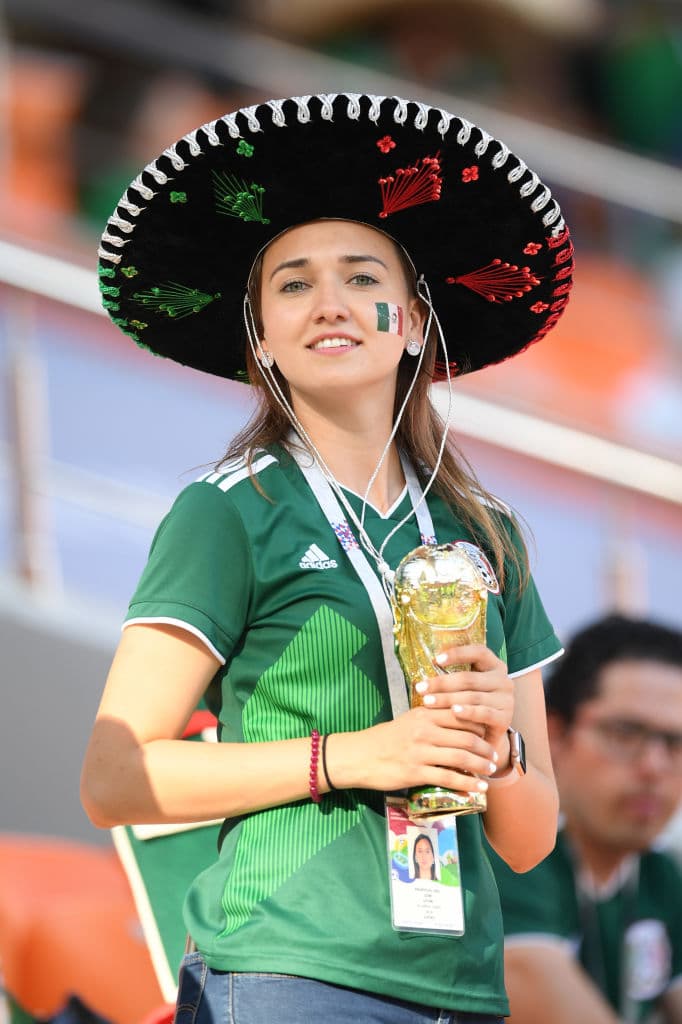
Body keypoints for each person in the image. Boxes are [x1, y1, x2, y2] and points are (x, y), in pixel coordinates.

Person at [81, 93, 574, 1024]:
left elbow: (530, 838)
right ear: (261, 338)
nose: (331, 303)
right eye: (294, 285)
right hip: (282, 971)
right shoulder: (229, 510)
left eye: (360, 276)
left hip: (464, 993)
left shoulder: (489, 535)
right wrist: (359, 756)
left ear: (415, 322)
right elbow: (115, 780)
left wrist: (495, 748)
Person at [487, 614, 682, 1024]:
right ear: (554, 735)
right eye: (626, 733)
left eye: (675, 743)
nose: (654, 766)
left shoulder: (660, 877)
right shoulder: (510, 855)